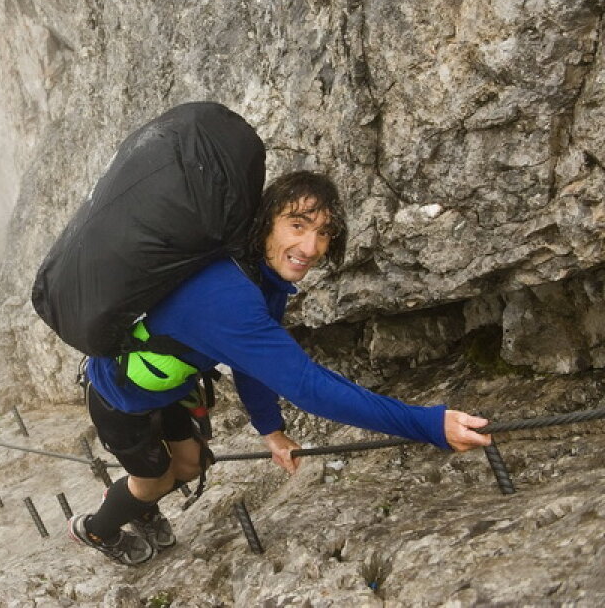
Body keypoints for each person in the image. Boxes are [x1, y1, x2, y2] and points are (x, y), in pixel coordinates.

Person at [68, 170, 493, 566]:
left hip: (169, 387)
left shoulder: (257, 277)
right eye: (297, 225)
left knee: (192, 465)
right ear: (266, 222)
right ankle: (97, 529)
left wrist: (270, 432)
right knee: (156, 480)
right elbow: (309, 387)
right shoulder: (227, 294)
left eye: (323, 232)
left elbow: (251, 363)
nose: (312, 248)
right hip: (118, 398)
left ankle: (139, 508)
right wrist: (428, 425)